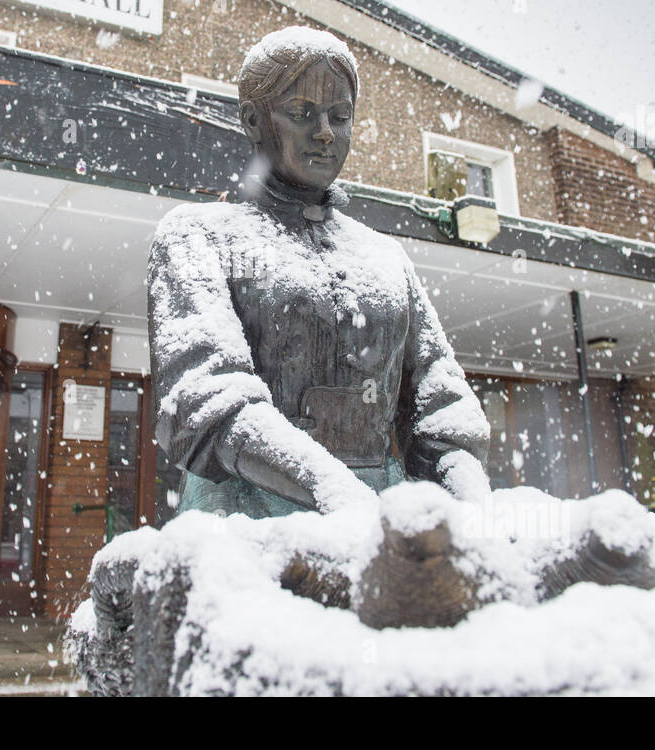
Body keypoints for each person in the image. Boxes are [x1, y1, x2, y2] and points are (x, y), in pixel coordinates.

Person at [148, 26, 490, 518]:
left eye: (340, 115)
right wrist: (336, 493)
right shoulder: (198, 235)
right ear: (254, 120)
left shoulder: (386, 255)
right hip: (247, 521)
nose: (326, 131)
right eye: (302, 113)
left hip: (385, 524)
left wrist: (474, 514)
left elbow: (441, 405)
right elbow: (205, 401)